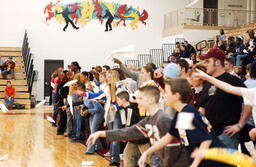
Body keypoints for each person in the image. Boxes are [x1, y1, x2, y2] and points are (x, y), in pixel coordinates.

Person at [138, 78, 233, 167]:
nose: (163, 95)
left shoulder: (187, 113)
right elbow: (167, 138)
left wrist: (194, 164)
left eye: (166, 92)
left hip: (217, 162)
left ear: (176, 96)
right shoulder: (182, 113)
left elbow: (206, 140)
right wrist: (147, 152)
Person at [86, 86, 184, 167]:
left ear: (151, 100)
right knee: (129, 155)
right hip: (162, 161)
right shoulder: (148, 120)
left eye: (140, 98)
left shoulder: (163, 119)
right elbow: (128, 132)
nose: (137, 101)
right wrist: (101, 133)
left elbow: (174, 148)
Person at [199, 48, 250, 149]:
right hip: (209, 134)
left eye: (208, 61)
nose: (205, 65)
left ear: (217, 62)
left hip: (226, 135)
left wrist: (240, 124)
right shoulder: (208, 82)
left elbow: (249, 101)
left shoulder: (233, 80)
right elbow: (202, 107)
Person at [115, 90, 153, 167]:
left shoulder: (130, 109)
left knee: (149, 160)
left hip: (140, 137)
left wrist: (125, 136)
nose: (117, 101)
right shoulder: (130, 107)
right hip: (134, 138)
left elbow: (129, 126)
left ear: (123, 99)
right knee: (127, 155)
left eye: (118, 99)